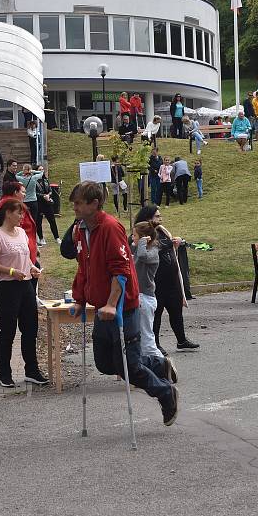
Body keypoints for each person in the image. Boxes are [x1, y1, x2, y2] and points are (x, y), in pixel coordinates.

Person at [68, 182, 179, 425]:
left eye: (78, 203)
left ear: (94, 203)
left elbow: (121, 271)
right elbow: (83, 267)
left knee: (128, 368)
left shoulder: (110, 227)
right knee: (105, 364)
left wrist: (111, 303)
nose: (74, 207)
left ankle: (165, 392)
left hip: (122, 307)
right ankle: (158, 365)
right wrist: (79, 299)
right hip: (100, 309)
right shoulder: (82, 229)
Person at [0, 198, 48, 387]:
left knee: (30, 328)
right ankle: (4, 372)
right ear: (7, 213)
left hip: (26, 285)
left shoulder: (21, 232)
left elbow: (26, 257)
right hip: (7, 287)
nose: (22, 217)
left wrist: (32, 268)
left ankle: (32, 370)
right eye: (19, 213)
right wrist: (11, 271)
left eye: (23, 213)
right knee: (8, 330)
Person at [135, 205, 199, 353]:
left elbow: (165, 245)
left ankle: (181, 340)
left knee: (176, 310)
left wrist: (174, 243)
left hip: (171, 280)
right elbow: (156, 247)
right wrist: (171, 242)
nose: (160, 219)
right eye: (157, 216)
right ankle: (155, 343)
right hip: (155, 282)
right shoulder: (142, 233)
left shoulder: (162, 231)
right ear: (148, 217)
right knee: (155, 315)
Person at [131, 220, 164, 360]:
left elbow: (143, 256)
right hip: (139, 296)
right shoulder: (139, 249)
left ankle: (164, 365)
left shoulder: (153, 252)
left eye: (135, 236)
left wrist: (143, 241)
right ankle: (149, 369)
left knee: (147, 339)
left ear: (145, 238)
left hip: (145, 298)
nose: (132, 238)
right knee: (139, 338)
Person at [17, 163, 45, 243]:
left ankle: (25, 237)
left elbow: (16, 175)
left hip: (25, 201)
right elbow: (41, 173)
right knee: (34, 220)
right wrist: (32, 171)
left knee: (25, 220)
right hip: (33, 201)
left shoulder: (21, 178)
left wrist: (23, 172)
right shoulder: (34, 178)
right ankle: (35, 238)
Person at [36, 165, 61, 245]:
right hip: (39, 203)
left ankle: (57, 237)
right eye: (39, 170)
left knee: (52, 220)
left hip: (47, 203)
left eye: (42, 169)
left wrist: (48, 195)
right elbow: (34, 193)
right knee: (38, 222)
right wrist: (43, 196)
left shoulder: (46, 180)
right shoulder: (34, 180)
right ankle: (41, 238)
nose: (41, 171)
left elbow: (50, 190)